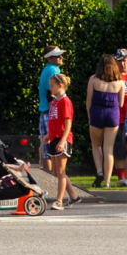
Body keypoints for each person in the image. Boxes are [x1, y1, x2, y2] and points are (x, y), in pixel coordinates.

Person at [86, 55, 127, 188]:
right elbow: (121, 104)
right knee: (109, 148)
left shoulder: (93, 79)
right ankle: (108, 182)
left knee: (96, 145)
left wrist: (89, 115)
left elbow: (89, 100)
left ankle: (99, 171)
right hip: (113, 113)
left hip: (97, 112)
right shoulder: (120, 82)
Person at [42, 72, 80, 210]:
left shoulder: (65, 101)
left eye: (52, 86)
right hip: (53, 138)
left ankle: (59, 201)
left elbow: (67, 122)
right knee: (57, 172)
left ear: (60, 85)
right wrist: (48, 135)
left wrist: (63, 140)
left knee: (61, 171)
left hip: (61, 138)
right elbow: (54, 121)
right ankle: (74, 196)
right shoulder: (56, 102)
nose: (50, 88)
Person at [36, 46, 65, 149]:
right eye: (57, 55)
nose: (61, 57)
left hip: (44, 113)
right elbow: (51, 94)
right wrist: (55, 116)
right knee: (53, 150)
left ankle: (47, 167)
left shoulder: (46, 70)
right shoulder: (54, 71)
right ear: (49, 58)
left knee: (46, 151)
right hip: (50, 114)